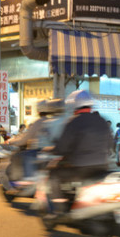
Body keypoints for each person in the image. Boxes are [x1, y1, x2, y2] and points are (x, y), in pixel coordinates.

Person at [46, 90, 113, 218]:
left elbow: (62, 147)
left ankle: (59, 211)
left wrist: (54, 151)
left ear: (73, 106)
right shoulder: (102, 121)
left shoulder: (74, 122)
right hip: (103, 166)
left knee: (54, 175)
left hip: (81, 168)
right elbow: (110, 144)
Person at [7, 99, 61, 183]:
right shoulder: (55, 121)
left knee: (23, 155)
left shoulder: (39, 122)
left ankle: (28, 178)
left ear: (38, 111)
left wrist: (12, 142)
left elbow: (25, 138)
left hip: (42, 150)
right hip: (53, 150)